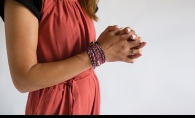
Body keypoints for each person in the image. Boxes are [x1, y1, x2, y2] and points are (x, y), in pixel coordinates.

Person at [0, 0, 146, 115]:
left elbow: (76, 46)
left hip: (88, 95)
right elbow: (23, 79)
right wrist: (99, 53)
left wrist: (117, 44)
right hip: (54, 105)